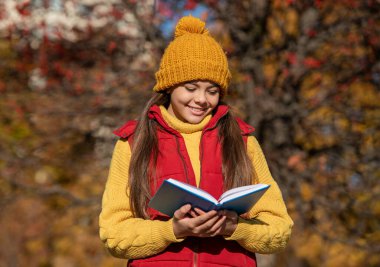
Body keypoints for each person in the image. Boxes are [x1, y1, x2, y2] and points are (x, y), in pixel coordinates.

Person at [99, 15, 293, 267]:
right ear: (169, 86)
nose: (201, 99)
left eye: (212, 91)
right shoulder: (133, 143)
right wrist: (172, 230)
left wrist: (236, 227)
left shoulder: (242, 141)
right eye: (191, 88)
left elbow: (279, 230)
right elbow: (114, 235)